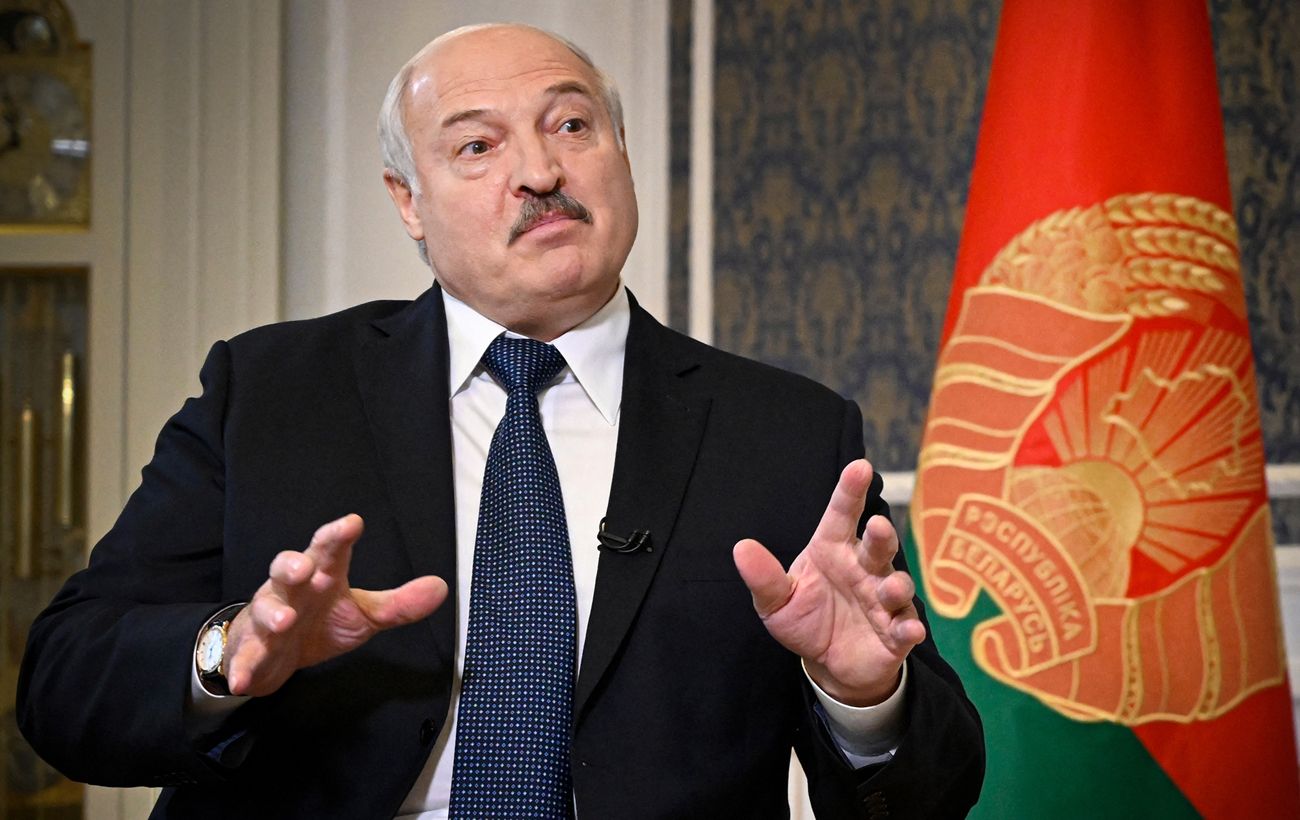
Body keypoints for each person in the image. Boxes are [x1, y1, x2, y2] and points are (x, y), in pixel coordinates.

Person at [17, 23, 984, 819]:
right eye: (477, 146)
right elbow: (64, 685)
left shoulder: (789, 434)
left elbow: (934, 793)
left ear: (621, 154)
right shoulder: (270, 392)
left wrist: (863, 694)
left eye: (572, 125)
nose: (539, 171)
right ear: (409, 201)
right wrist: (231, 652)